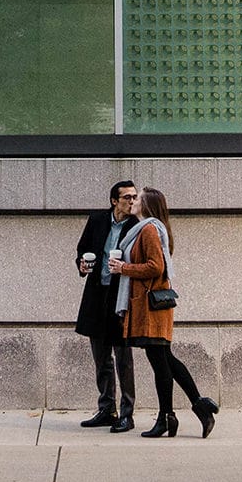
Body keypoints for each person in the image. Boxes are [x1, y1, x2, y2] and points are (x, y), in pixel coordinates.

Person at [108, 186, 218, 439]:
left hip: (151, 307)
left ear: (147, 205)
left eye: (138, 199)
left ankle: (169, 417)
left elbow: (155, 267)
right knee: (165, 360)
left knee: (161, 363)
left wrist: (123, 268)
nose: (133, 201)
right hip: (153, 306)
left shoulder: (148, 229)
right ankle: (194, 409)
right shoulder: (151, 228)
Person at [74, 179, 139, 431]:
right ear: (114, 201)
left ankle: (127, 413)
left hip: (121, 297)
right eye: (127, 198)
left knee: (123, 357)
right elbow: (82, 250)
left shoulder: (137, 226)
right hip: (96, 295)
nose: (132, 201)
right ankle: (106, 409)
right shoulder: (97, 220)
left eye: (134, 197)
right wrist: (81, 264)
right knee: (101, 358)